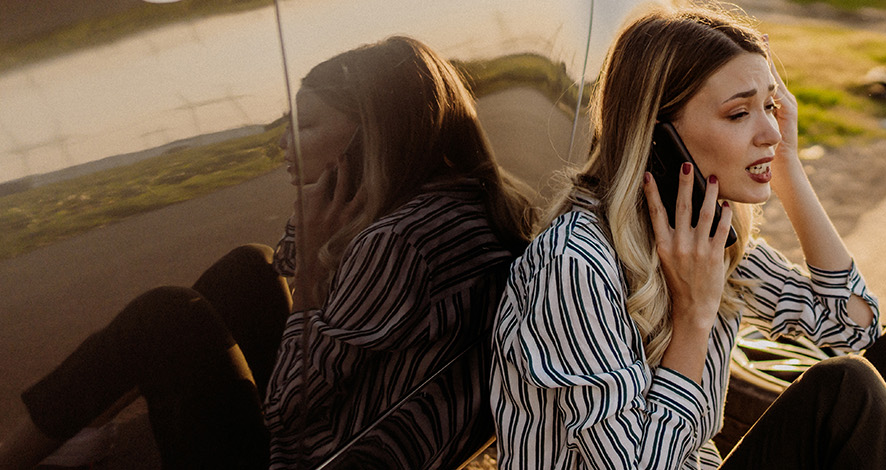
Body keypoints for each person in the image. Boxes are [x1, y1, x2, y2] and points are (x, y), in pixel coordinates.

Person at [489, 6, 886, 469]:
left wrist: (788, 164)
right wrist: (693, 317)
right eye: (739, 113)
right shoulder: (575, 263)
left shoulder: (703, 232)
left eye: (770, 106)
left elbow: (851, 326)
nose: (769, 131)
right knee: (847, 393)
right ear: (657, 136)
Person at [0, 36, 535, 469]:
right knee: (248, 269)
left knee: (164, 316)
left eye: (305, 126)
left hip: (317, 457)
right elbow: (285, 270)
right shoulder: (463, 205)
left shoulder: (395, 244)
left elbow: (288, 411)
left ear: (373, 136)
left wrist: (313, 273)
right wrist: (324, 230)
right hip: (384, 439)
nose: (283, 143)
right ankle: (82, 427)